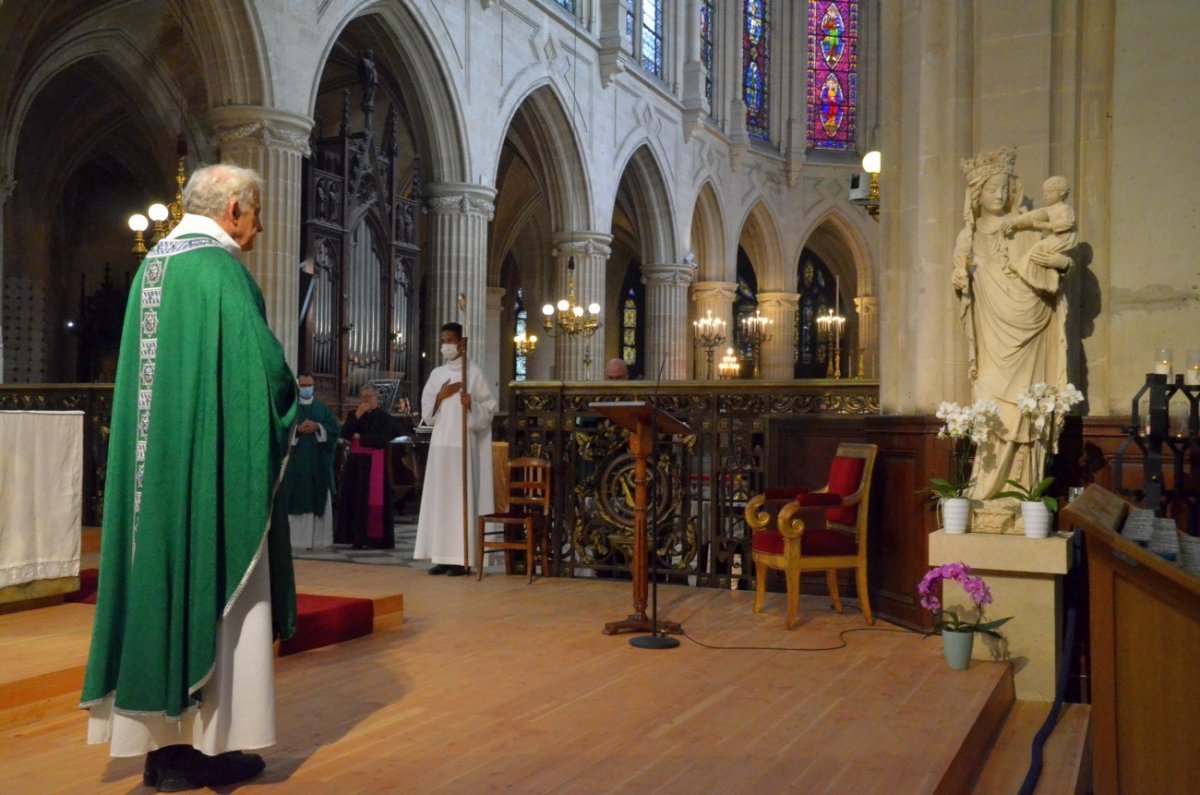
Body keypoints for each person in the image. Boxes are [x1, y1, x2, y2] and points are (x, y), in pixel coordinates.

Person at [80, 163, 298, 790]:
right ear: (233, 209)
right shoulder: (221, 272)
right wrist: (292, 411)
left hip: (156, 476)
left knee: (154, 582)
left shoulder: (153, 267)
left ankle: (161, 749)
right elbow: (264, 375)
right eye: (255, 216)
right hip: (209, 476)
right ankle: (210, 746)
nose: (256, 232)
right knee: (224, 591)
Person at [952, 148, 1069, 499]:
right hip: (991, 331)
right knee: (990, 402)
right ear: (977, 194)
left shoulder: (1024, 227)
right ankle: (985, 490)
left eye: (1004, 188)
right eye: (992, 190)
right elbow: (961, 279)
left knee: (1025, 405)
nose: (999, 195)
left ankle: (1024, 494)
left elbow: (1053, 262)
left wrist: (1060, 263)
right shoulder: (967, 237)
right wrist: (961, 283)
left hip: (1030, 323)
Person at [414, 323, 497, 576]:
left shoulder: (473, 373)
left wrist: (471, 404)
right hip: (441, 444)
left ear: (461, 343)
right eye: (443, 340)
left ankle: (463, 558)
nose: (445, 345)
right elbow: (427, 413)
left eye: (450, 340)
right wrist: (441, 396)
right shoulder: (437, 374)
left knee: (460, 499)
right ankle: (442, 556)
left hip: (463, 445)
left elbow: (489, 409)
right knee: (441, 499)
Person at [286, 374, 340, 550]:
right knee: (296, 496)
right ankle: (296, 540)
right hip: (296, 465)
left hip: (318, 463)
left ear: (314, 386)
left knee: (317, 494)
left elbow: (334, 430)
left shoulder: (321, 409)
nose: (306, 388)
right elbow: (281, 429)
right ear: (298, 386)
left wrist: (318, 427)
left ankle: (318, 540)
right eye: (303, 385)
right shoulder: (291, 409)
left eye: (309, 385)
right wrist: (296, 430)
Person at [337, 385, 395, 549]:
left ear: (376, 398)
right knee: (356, 500)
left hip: (375, 463)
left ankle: (377, 539)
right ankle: (357, 538)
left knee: (375, 501)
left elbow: (382, 439)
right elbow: (345, 434)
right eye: (363, 398)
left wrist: (361, 438)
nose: (366, 400)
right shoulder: (354, 415)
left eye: (369, 397)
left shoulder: (385, 418)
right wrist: (357, 415)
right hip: (356, 465)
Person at [1001, 175, 1077, 292]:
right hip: (1011, 291)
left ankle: (1037, 278)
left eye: (1049, 192)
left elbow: (1066, 223)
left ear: (1061, 192)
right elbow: (1031, 217)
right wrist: (1014, 222)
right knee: (1038, 250)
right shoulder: (1046, 211)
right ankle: (1027, 272)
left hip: (1062, 239)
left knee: (1038, 249)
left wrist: (1064, 263)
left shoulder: (1064, 209)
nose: (1045, 195)